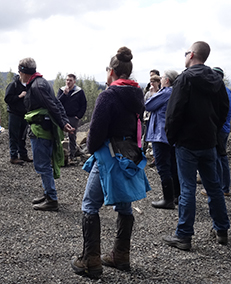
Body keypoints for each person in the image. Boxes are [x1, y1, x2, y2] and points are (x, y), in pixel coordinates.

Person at [70, 47, 150, 279]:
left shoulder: (108, 95)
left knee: (89, 205)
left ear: (112, 71)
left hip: (109, 156)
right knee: (124, 205)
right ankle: (120, 255)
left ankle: (90, 261)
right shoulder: (137, 94)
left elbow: (95, 133)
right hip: (130, 155)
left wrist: (89, 150)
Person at [162, 41, 230, 251]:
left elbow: (174, 112)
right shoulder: (216, 80)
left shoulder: (184, 79)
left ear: (191, 54)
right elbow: (223, 109)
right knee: (214, 187)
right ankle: (221, 230)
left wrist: (171, 137)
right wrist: (213, 130)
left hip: (187, 142)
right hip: (208, 141)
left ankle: (183, 235)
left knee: (188, 188)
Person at [18, 57, 74, 211]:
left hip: (41, 130)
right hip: (42, 128)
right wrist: (63, 121)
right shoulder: (40, 82)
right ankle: (47, 193)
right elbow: (57, 103)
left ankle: (51, 198)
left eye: (19, 71)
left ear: (24, 71)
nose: (19, 75)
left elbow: (53, 105)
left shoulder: (36, 86)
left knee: (42, 165)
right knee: (43, 164)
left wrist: (63, 123)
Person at [145, 70, 180, 209]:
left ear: (168, 80)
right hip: (171, 135)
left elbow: (148, 105)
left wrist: (154, 93)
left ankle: (168, 199)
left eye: (163, 77)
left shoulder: (165, 92)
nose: (161, 79)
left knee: (163, 166)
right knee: (173, 165)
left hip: (160, 135)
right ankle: (178, 196)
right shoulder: (177, 92)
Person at [202, 67, 231, 197]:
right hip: (224, 128)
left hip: (218, 129)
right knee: (222, 157)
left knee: (217, 159)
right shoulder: (228, 91)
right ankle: (225, 187)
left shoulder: (217, 91)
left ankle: (220, 188)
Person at [57, 74, 87, 161]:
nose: (68, 82)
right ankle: (59, 154)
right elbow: (57, 102)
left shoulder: (79, 91)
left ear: (74, 81)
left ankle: (72, 155)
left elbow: (84, 104)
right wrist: (64, 94)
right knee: (59, 135)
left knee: (72, 136)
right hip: (62, 117)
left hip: (73, 117)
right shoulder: (61, 90)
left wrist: (79, 116)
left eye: (70, 80)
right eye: (67, 80)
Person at [5, 74, 31, 165]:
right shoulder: (13, 85)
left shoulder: (29, 85)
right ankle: (13, 156)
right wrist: (19, 96)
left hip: (25, 114)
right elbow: (7, 98)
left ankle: (23, 155)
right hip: (14, 114)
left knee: (22, 136)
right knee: (14, 136)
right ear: (21, 74)